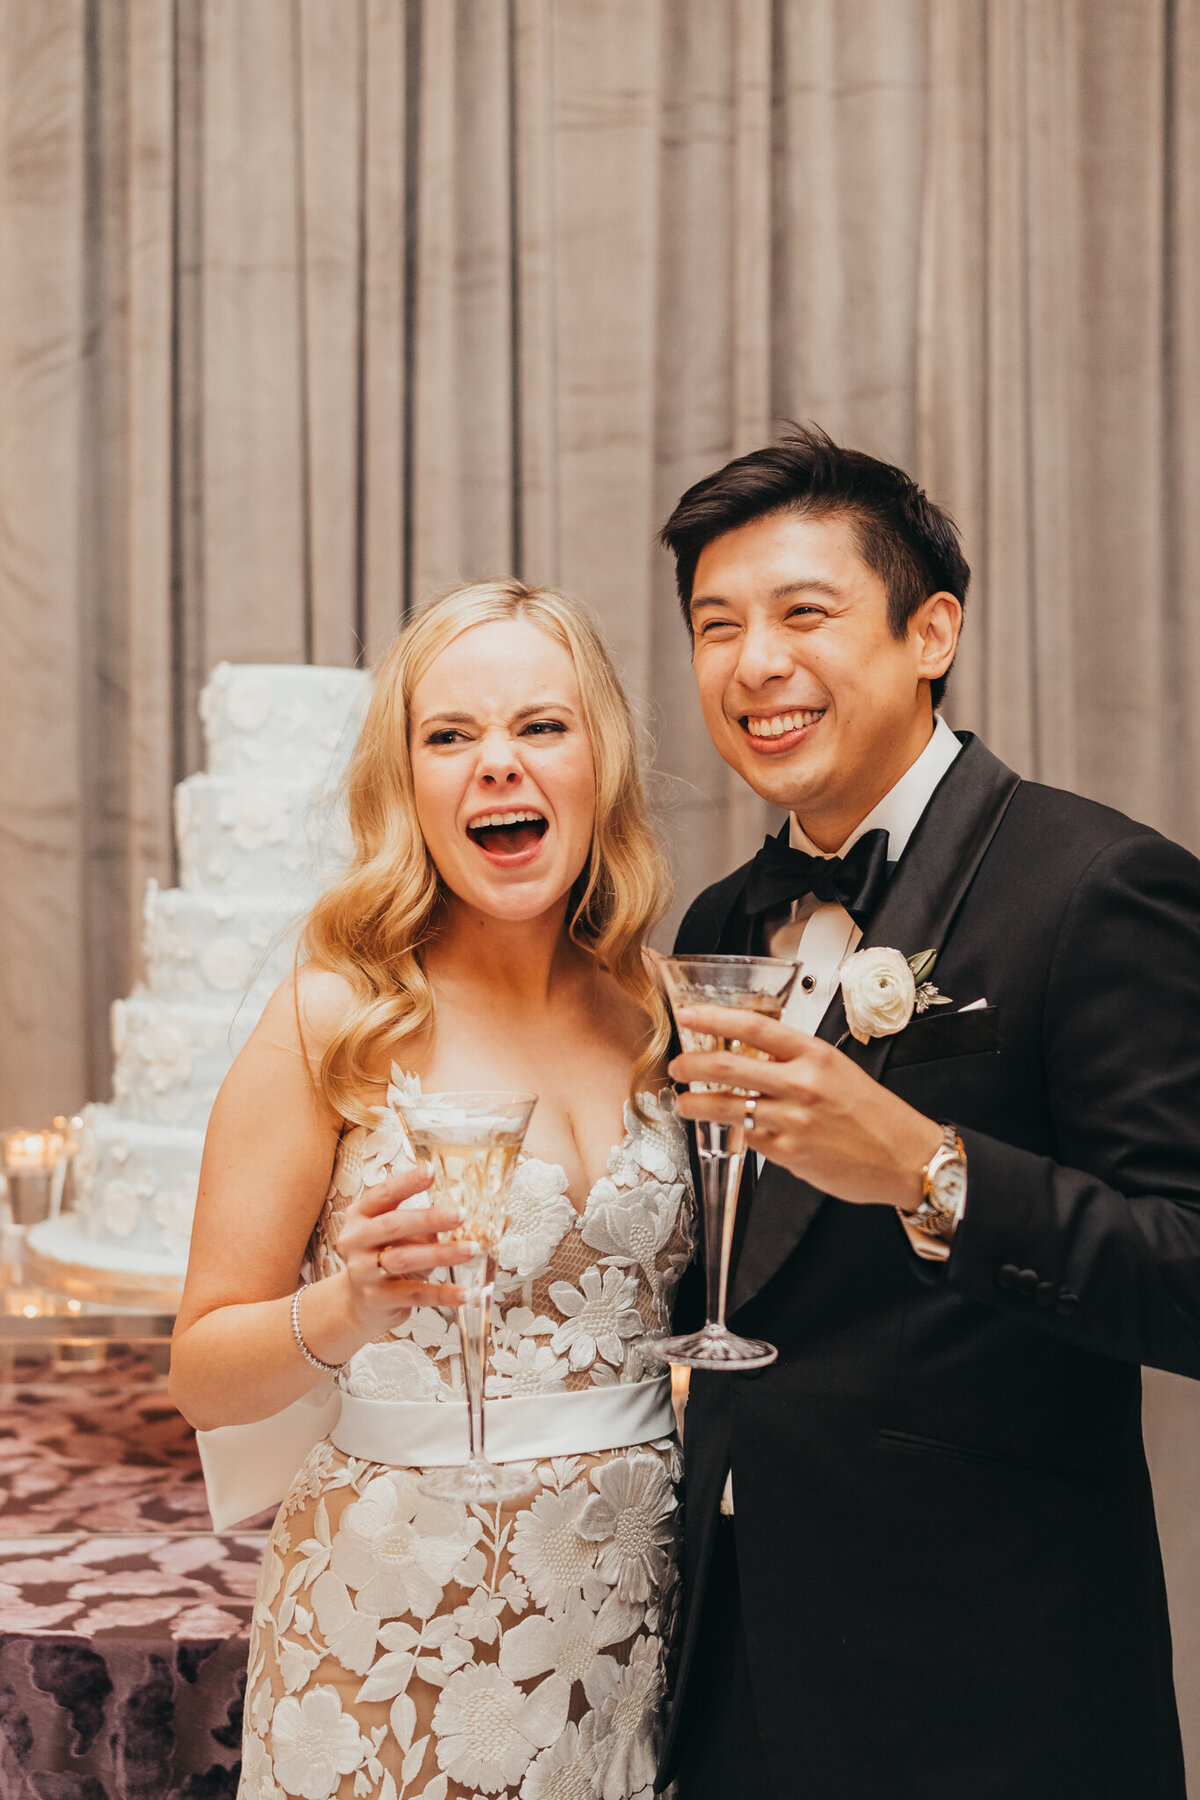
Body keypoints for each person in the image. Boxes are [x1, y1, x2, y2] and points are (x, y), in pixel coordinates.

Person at [653, 426, 1200, 1800]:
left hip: (990, 1680)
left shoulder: (1097, 886)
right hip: (736, 1656)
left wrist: (931, 1170)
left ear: (930, 631)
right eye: (716, 627)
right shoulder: (725, 920)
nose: (753, 664)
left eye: (803, 614)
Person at [169, 580, 695, 1800]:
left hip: (628, 1625)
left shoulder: (661, 1009)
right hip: (395, 1637)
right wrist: (346, 1309)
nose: (496, 766)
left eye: (540, 728)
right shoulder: (333, 1017)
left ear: (599, 761)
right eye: (449, 736)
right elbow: (201, 1373)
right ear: (407, 784)